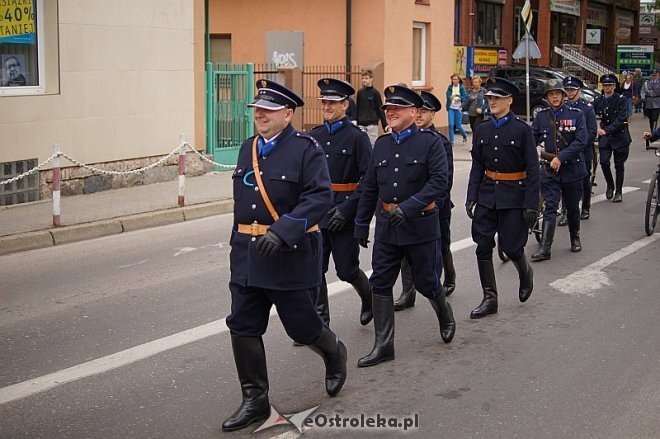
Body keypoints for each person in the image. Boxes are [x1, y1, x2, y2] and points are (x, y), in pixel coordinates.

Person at [222, 80, 347, 432]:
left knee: (303, 327)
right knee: (243, 325)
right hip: (248, 256)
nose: (259, 114)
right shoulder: (248, 148)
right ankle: (255, 400)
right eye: (257, 109)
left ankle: (334, 351)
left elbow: (320, 197)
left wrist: (284, 230)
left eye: (268, 109)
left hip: (287, 255)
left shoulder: (306, 149)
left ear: (288, 113)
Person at [354, 84, 455, 367]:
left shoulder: (431, 143)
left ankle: (444, 313)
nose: (391, 112)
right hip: (387, 227)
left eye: (397, 108)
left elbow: (439, 183)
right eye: (388, 109)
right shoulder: (382, 144)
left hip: (420, 226)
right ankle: (384, 345)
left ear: (414, 111)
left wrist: (409, 209)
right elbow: (370, 186)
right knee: (380, 283)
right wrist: (362, 222)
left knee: (426, 282)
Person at [465, 77, 539, 318]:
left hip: (513, 195)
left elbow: (533, 169)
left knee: (512, 246)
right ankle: (490, 298)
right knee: (483, 245)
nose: (492, 102)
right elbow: (477, 165)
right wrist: (471, 195)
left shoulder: (522, 130)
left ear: (509, 100)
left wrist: (531, 204)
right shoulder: (483, 129)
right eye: (490, 98)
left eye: (497, 98)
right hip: (488, 194)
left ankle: (525, 271)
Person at [309, 78, 373, 327]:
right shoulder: (315, 135)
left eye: (332, 102)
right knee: (315, 270)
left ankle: (368, 298)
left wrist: (347, 210)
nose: (326, 106)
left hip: (344, 212)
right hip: (318, 213)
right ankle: (320, 322)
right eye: (324, 101)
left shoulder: (357, 137)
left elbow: (368, 179)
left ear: (345, 105)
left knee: (346, 271)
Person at [394, 90, 456, 310]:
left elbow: (444, 181)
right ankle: (407, 292)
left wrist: (431, 205)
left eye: (424, 111)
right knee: (405, 251)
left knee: (441, 246)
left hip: (434, 206)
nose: (419, 115)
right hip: (408, 207)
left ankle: (447, 278)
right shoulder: (402, 140)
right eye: (417, 110)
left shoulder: (439, 142)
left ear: (433, 115)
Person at [530, 79, 588, 262]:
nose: (554, 96)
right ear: (546, 97)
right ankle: (545, 248)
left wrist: (561, 157)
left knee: (571, 207)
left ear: (563, 95)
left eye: (558, 93)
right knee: (550, 207)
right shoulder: (541, 116)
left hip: (572, 169)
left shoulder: (576, 114)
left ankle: (575, 237)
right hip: (549, 171)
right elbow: (532, 138)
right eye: (550, 94)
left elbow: (581, 140)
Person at [557, 76, 599, 224]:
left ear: (579, 91)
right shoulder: (562, 109)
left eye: (572, 90)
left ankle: (586, 207)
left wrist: (579, 146)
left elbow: (592, 131)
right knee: (564, 182)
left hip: (583, 152)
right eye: (567, 89)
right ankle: (565, 211)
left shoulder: (587, 108)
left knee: (584, 181)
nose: (569, 92)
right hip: (566, 153)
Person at [593, 73, 632, 203]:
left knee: (619, 165)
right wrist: (596, 129)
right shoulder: (598, 100)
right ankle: (610, 184)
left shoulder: (621, 99)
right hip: (605, 137)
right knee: (604, 162)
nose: (607, 87)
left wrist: (606, 130)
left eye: (610, 85)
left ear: (614, 86)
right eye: (605, 85)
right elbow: (592, 116)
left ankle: (619, 191)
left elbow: (621, 118)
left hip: (620, 136)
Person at [356, 68, 388, 145]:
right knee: (361, 145)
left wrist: (385, 125)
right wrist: (355, 121)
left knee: (372, 145)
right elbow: (357, 108)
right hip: (361, 124)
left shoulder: (375, 93)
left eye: (366, 78)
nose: (364, 80)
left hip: (372, 125)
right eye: (363, 78)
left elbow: (380, 109)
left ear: (371, 79)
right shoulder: (360, 92)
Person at [445, 74, 468, 144]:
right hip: (451, 108)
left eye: (456, 79)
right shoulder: (450, 87)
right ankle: (451, 141)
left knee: (458, 125)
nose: (454, 80)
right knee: (451, 124)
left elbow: (465, 97)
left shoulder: (461, 87)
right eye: (453, 79)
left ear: (458, 80)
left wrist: (458, 97)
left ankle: (464, 135)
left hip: (458, 108)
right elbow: (448, 95)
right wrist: (451, 97)